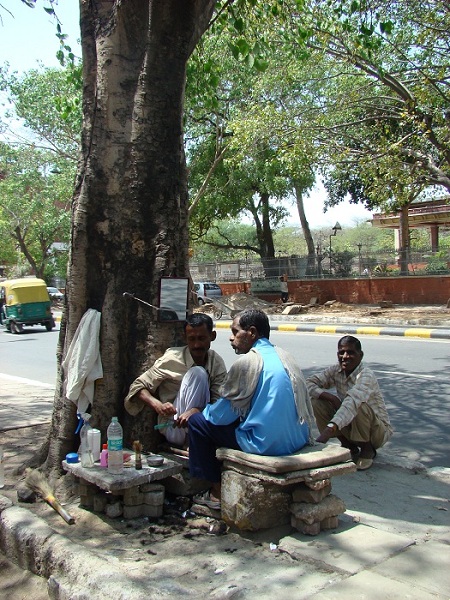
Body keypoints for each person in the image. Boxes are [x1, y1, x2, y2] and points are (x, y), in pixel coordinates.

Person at [188, 308, 315, 510]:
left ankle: (215, 492)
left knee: (197, 423)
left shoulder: (248, 362)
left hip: (266, 444)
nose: (231, 338)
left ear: (252, 333)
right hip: (297, 438)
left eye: (235, 332)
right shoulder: (285, 355)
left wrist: (199, 412)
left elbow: (220, 416)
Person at [124, 313, 227, 447]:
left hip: (203, 423)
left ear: (212, 336)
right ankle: (192, 440)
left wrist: (197, 411)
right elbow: (138, 386)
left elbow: (219, 401)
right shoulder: (172, 358)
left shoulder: (216, 362)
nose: (196, 345)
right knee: (198, 373)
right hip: (173, 426)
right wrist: (158, 405)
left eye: (201, 338)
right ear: (185, 338)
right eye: (192, 339)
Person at [306, 335, 392, 471]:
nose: (345, 356)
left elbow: (352, 402)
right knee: (317, 401)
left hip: (376, 431)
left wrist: (328, 430)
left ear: (360, 355)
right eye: (341, 352)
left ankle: (367, 450)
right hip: (350, 423)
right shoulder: (336, 370)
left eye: (350, 353)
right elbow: (309, 383)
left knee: (359, 405)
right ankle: (349, 446)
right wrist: (330, 397)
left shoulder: (365, 375)